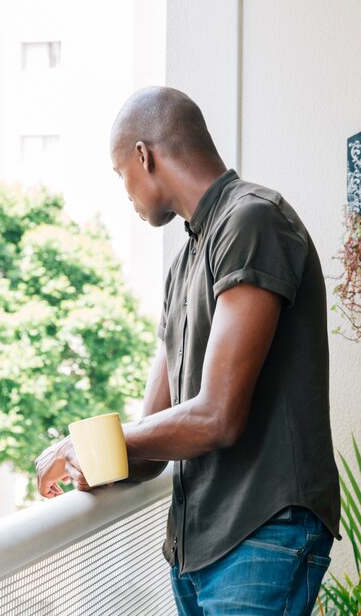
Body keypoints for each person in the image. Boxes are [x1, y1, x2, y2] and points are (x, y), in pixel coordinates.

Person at [35, 86, 341, 615]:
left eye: (119, 175)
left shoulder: (253, 220)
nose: (125, 192)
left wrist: (87, 444)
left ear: (143, 156)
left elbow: (217, 416)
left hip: (263, 532)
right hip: (194, 550)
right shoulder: (184, 264)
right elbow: (155, 432)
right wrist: (89, 458)